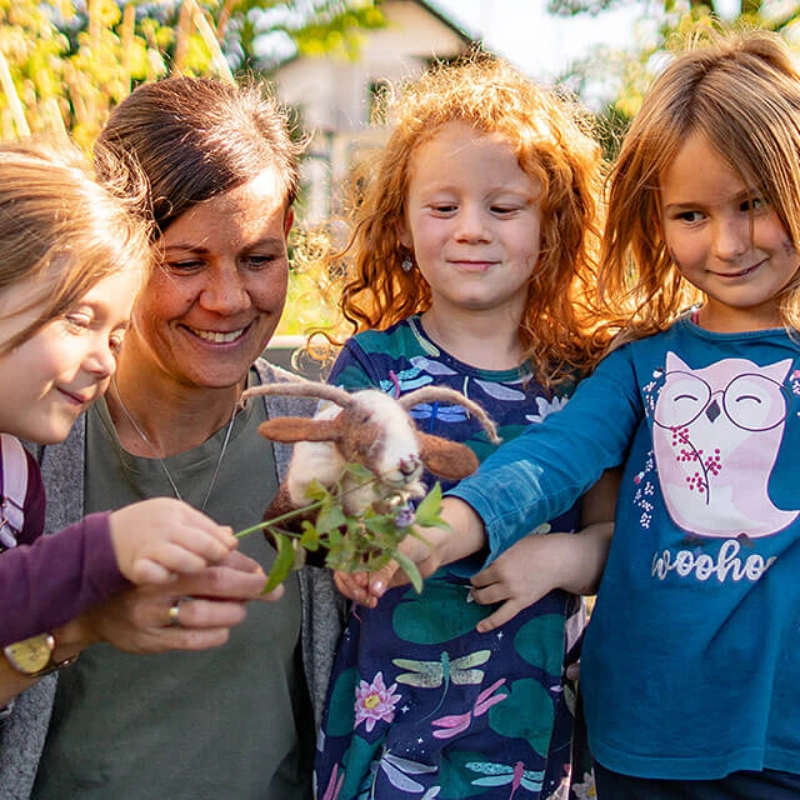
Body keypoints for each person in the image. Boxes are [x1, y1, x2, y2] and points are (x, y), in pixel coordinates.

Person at [359, 29, 800, 799]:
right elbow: (550, 459)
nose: (726, 243)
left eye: (753, 204)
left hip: (780, 737)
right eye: (691, 214)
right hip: (638, 735)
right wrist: (449, 530)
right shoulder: (640, 367)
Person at [0, 78, 345, 800]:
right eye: (185, 264)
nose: (226, 299)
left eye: (259, 258)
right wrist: (82, 624)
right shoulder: (30, 433)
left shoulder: (321, 438)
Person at [314, 57, 618, 800]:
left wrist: (559, 561)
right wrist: (351, 541)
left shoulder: (583, 383)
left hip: (527, 733)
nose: (471, 230)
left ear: (552, 226)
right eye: (443, 208)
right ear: (401, 226)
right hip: (389, 725)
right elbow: (326, 501)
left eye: (503, 208)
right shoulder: (373, 367)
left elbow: (614, 541)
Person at [0, 142, 245, 693]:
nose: (104, 359)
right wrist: (100, 550)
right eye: (75, 318)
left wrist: (88, 619)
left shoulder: (17, 483)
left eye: (115, 336)